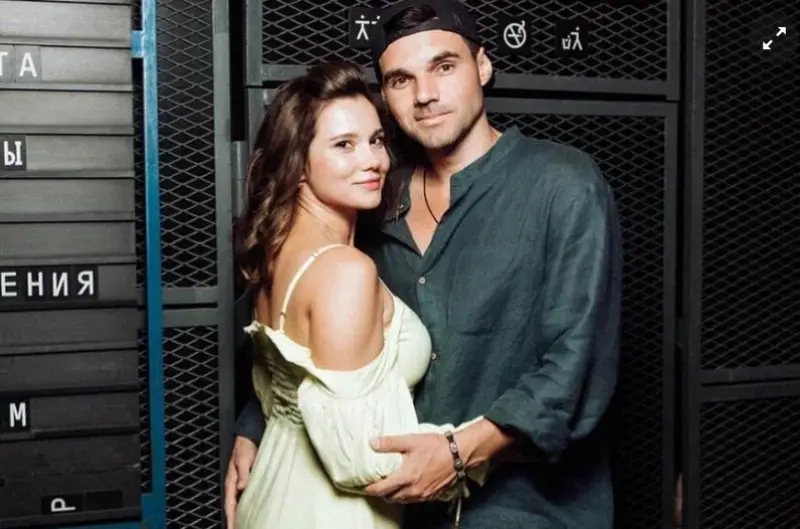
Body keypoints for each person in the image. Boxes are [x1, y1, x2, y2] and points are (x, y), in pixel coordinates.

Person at [227, 1, 623, 528]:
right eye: (400, 79)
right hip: (395, 508)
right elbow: (317, 332)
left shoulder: (564, 184)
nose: (425, 94)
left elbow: (577, 364)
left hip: (527, 511)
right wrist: (257, 425)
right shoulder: (372, 194)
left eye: (444, 66)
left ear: (482, 65)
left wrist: (460, 452)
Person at [230, 59, 486, 529]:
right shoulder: (345, 271)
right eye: (343, 145)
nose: (374, 161)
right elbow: (362, 461)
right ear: (297, 164)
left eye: (376, 140)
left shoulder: (277, 252)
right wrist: (480, 449)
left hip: (271, 494)